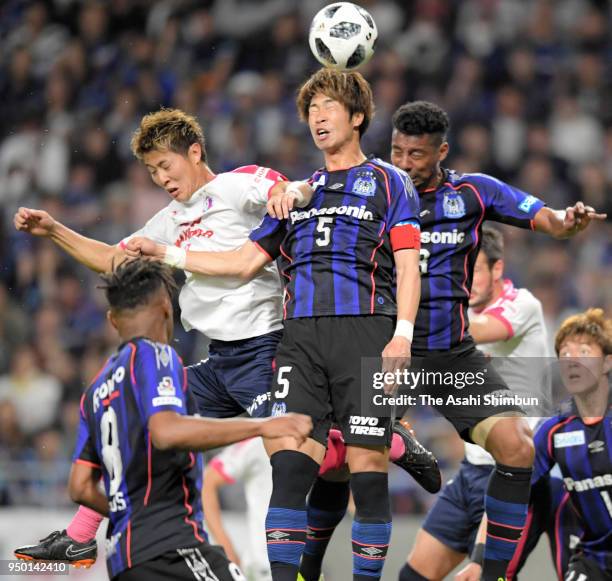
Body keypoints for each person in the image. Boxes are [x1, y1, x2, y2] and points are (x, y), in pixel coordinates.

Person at [13, 106, 436, 566]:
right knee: (140, 421)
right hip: (219, 364)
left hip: (267, 350)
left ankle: (390, 440)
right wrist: (54, 230)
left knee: (302, 459)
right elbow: (117, 261)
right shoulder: (169, 220)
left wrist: (291, 189)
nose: (161, 178)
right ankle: (80, 534)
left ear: (194, 152)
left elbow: (288, 191)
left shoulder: (237, 185)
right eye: (152, 171)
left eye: (166, 165)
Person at [18, 258, 312, 580]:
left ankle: (77, 535)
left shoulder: (96, 389)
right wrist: (262, 425)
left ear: (111, 319)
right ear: (166, 307)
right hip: (172, 549)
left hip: (123, 560)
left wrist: (123, 515)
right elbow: (166, 432)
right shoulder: (157, 355)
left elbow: (79, 487)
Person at [399, 225, 550, 580]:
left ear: (498, 269)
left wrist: (412, 314)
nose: (465, 277)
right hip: (471, 470)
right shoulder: (455, 312)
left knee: (485, 575)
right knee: (412, 576)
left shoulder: (522, 304)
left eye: (474, 268)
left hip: (515, 469)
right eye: (460, 268)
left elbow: (483, 330)